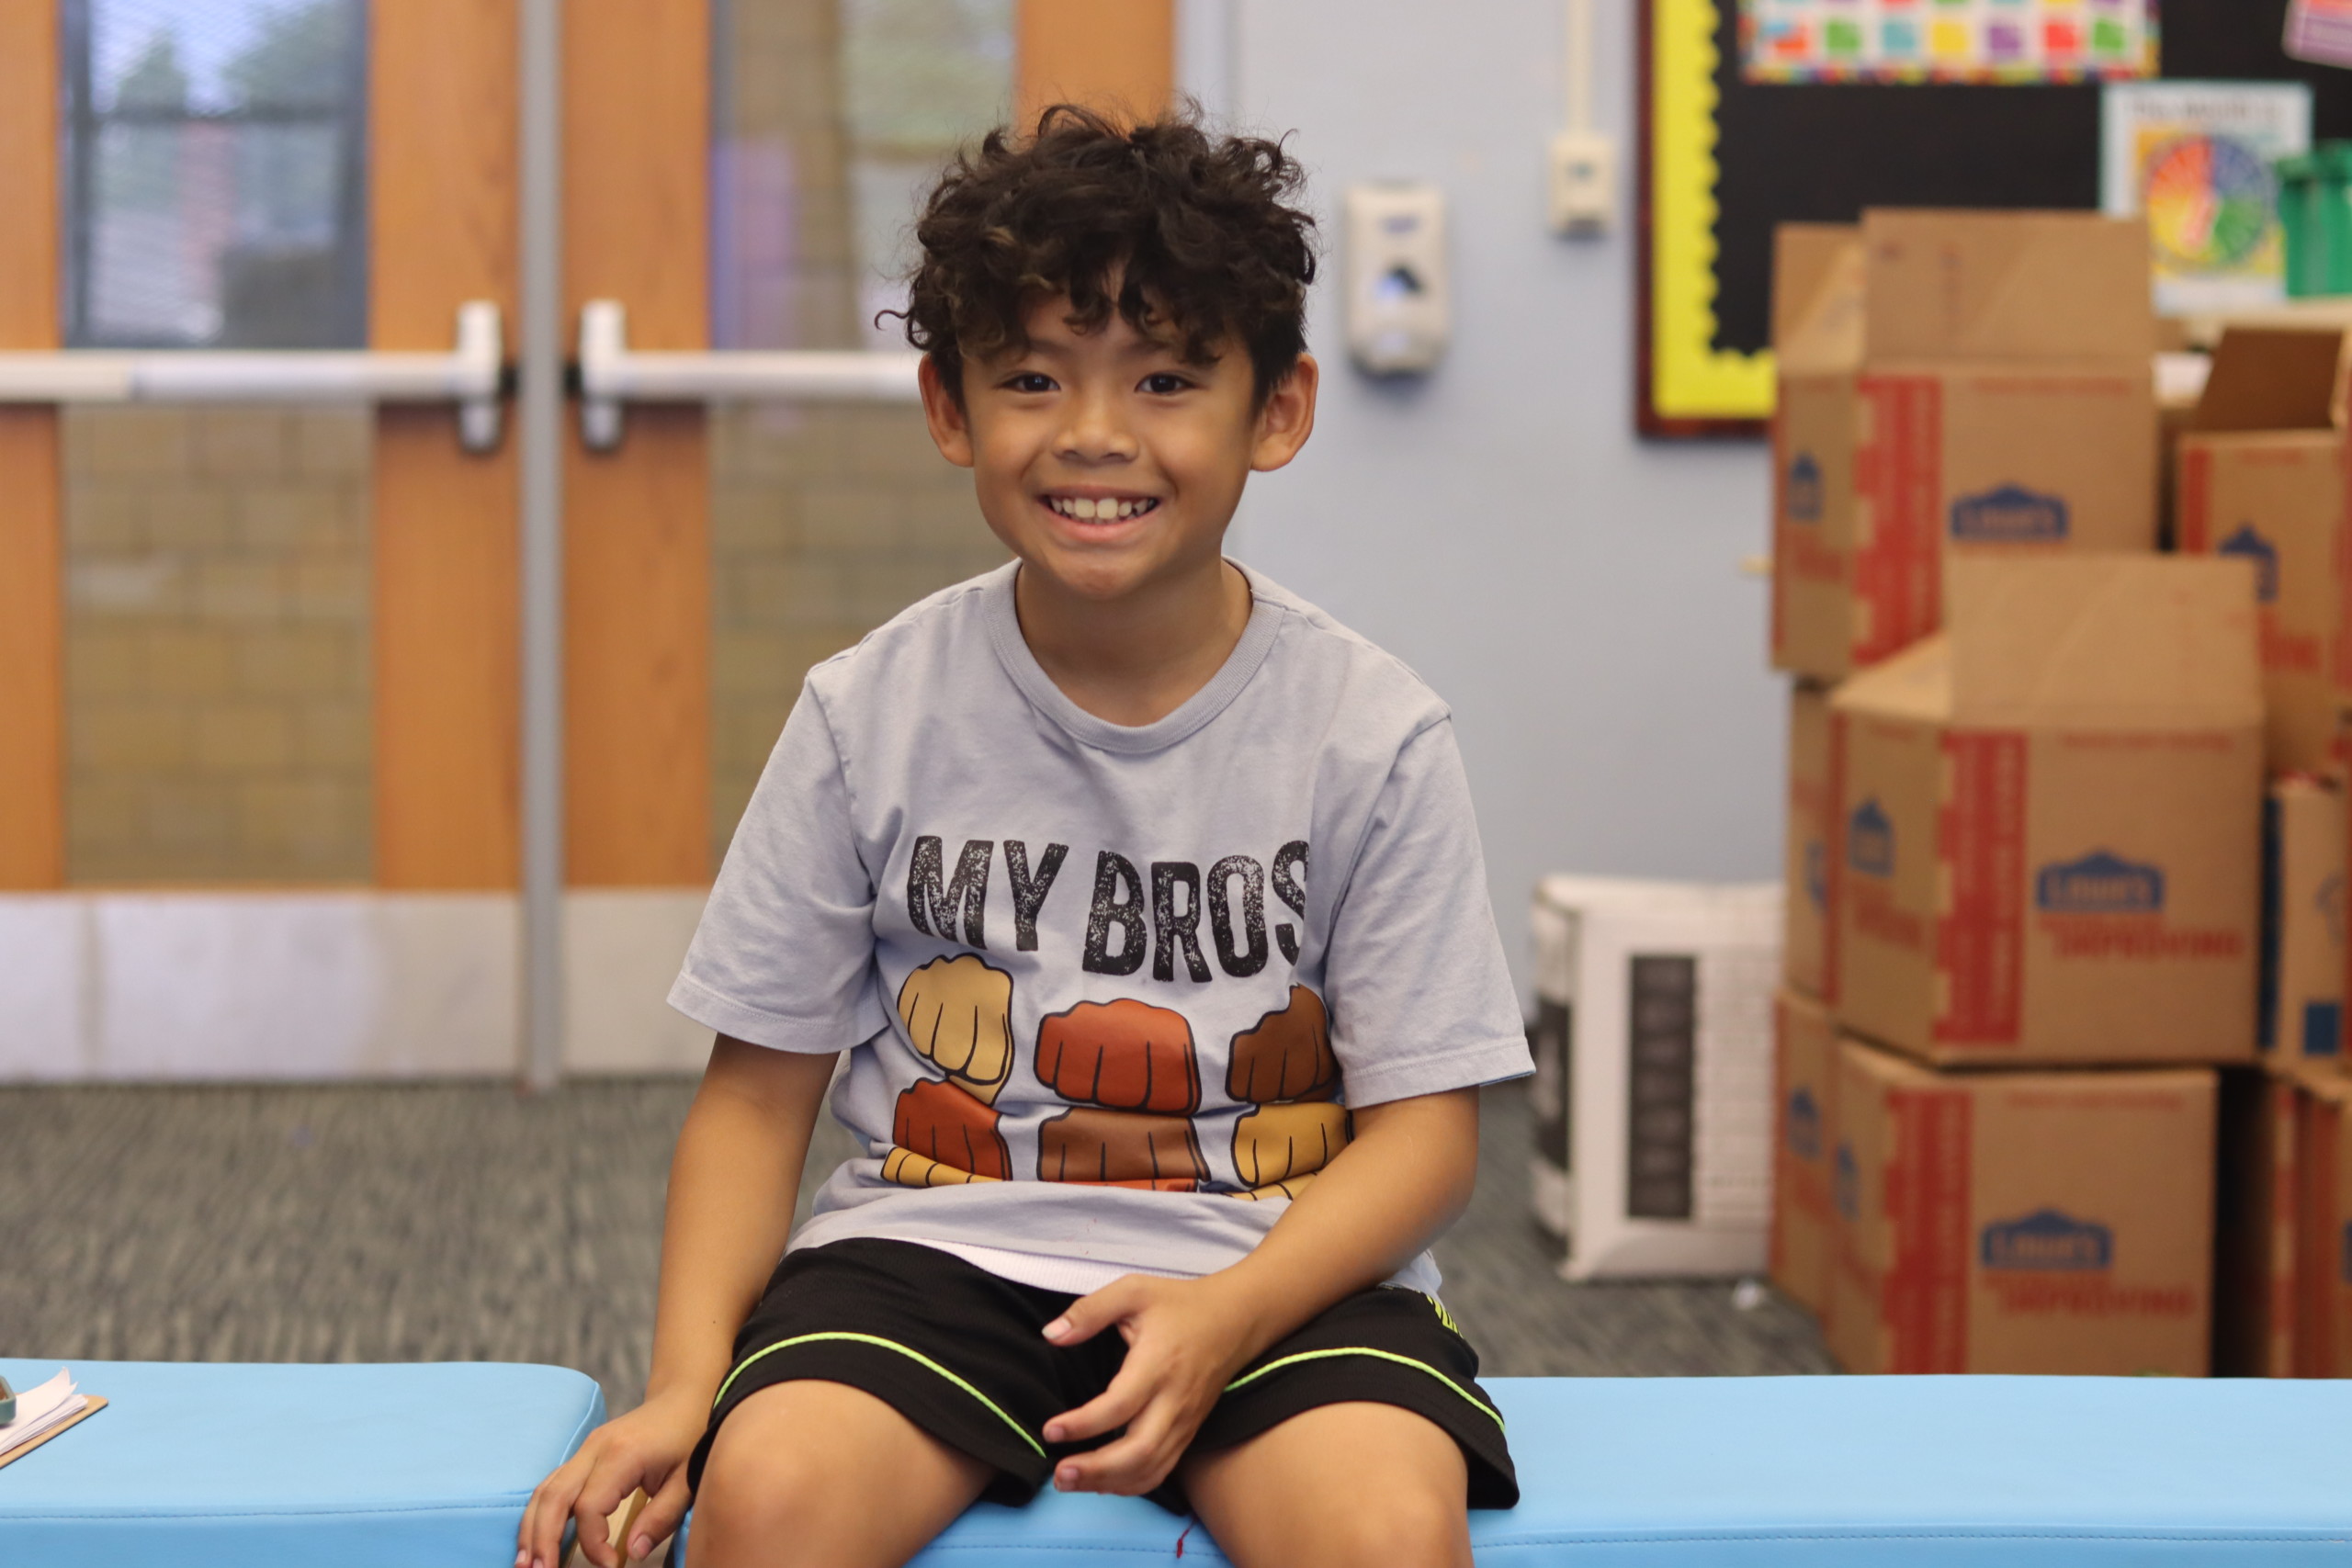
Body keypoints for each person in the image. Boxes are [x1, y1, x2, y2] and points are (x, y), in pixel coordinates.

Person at [518, 106, 1532, 1568]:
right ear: (951, 410)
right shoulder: (867, 713)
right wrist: (688, 1385)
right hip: (932, 1256)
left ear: (1278, 411)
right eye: (1034, 378)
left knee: (1379, 1526)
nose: (1097, 435)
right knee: (772, 1493)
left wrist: (1227, 1317)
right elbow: (754, 1101)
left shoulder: (1374, 734)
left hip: (1274, 1269)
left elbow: (1429, 1135)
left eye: (1169, 378)